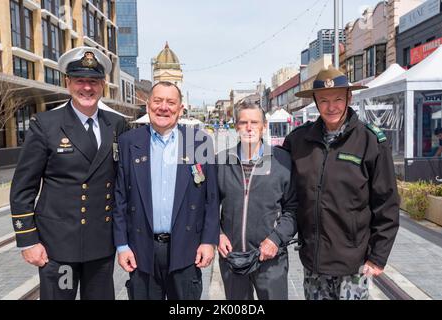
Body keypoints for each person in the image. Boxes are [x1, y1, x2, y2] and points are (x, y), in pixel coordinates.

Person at [9, 47, 128, 300]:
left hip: (101, 243)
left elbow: (125, 182)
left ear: (103, 84)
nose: (87, 88)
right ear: (68, 82)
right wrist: (28, 240)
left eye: (93, 81)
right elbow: (23, 188)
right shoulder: (46, 125)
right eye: (80, 81)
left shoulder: (117, 125)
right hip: (57, 246)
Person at [282, 66, 400, 300]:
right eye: (324, 100)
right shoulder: (298, 141)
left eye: (338, 99)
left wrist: (378, 256)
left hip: (353, 263)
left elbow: (387, 203)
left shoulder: (370, 141)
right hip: (314, 260)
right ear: (315, 102)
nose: (331, 107)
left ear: (349, 97)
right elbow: (279, 187)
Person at [113, 81, 219, 300]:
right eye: (158, 100)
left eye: (171, 102)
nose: (163, 107)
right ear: (148, 105)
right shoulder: (128, 142)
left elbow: (211, 198)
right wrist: (122, 245)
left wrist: (208, 241)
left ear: (180, 109)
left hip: (186, 248)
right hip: (141, 249)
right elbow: (120, 197)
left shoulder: (200, 143)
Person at [217, 102, 298, 300]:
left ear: (264, 126)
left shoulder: (282, 160)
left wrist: (276, 239)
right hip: (232, 259)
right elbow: (208, 206)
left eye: (255, 122)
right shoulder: (221, 161)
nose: (249, 127)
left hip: (270, 259)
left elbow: (294, 209)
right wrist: (216, 234)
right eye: (243, 122)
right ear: (236, 126)